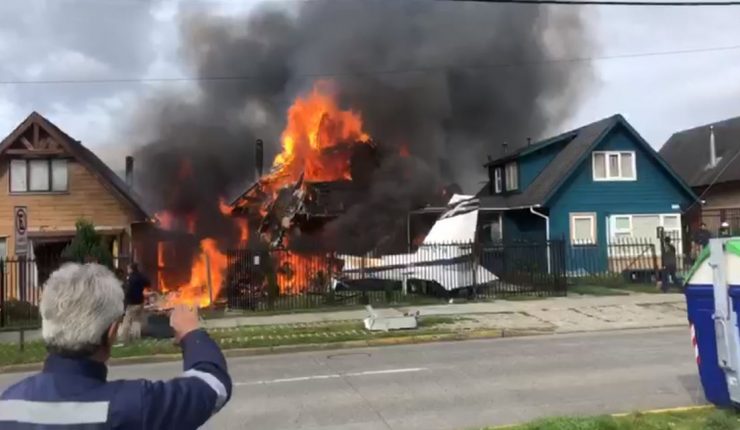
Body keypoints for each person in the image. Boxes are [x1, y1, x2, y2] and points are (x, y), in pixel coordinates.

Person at [0, 263, 231, 429]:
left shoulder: (7, 404)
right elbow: (213, 385)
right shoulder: (135, 405)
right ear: (111, 332)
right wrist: (192, 333)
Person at [121, 262, 150, 343]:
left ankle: (125, 339)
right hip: (140, 302)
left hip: (132, 303)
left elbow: (128, 291)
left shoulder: (130, 278)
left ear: (131, 269)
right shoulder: (141, 276)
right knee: (137, 321)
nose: (127, 270)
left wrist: (125, 301)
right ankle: (136, 337)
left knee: (127, 321)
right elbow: (148, 283)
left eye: (128, 269)